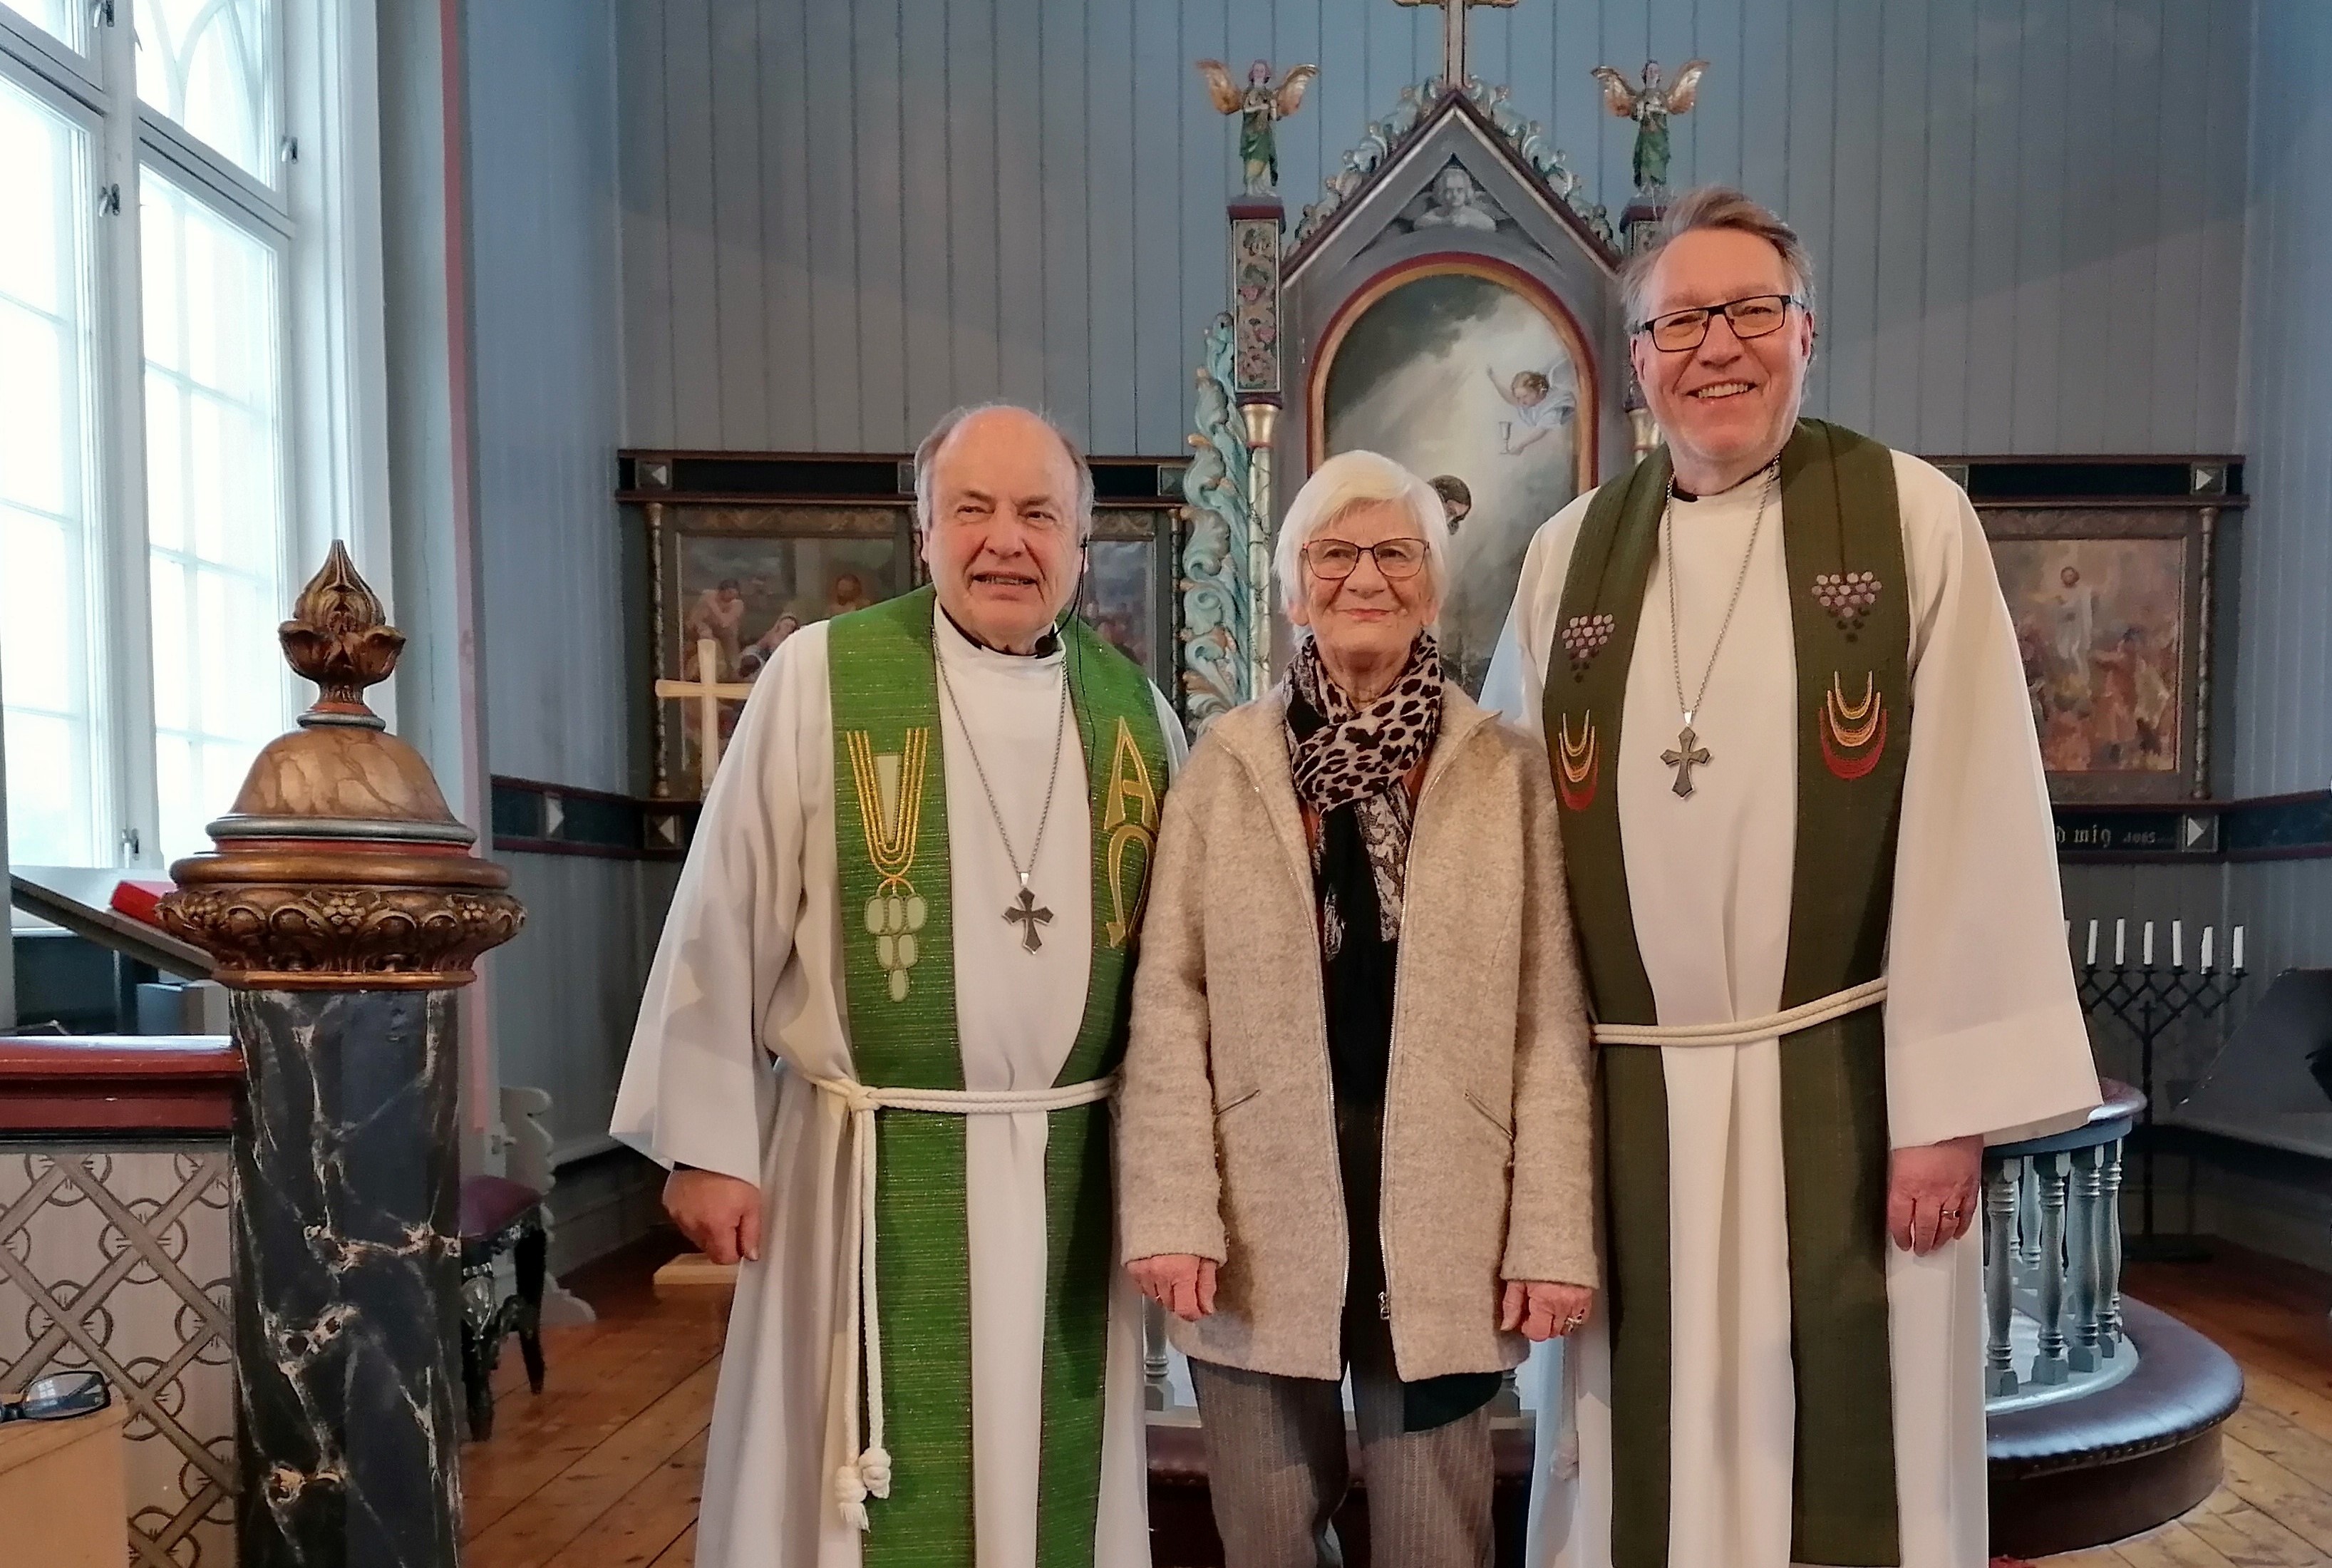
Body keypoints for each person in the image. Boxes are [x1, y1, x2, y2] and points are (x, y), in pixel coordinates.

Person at [1482, 187, 2100, 1568]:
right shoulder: (1563, 555)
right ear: (1634, 358)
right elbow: (1510, 859)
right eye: (1680, 320)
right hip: (1625, 1091)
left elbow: (1978, 814)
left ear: (1805, 332)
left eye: (1750, 310)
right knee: (1639, 1462)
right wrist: (1525, 1142)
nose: (1718, 346)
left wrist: (1946, 1107)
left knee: (1849, 1462)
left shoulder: (1907, 520)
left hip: (1846, 1088)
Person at [613, 403, 1186, 1567]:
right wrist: (711, 1143)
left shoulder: (1138, 716)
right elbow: (726, 909)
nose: (1004, 543)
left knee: (1052, 1482)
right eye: (969, 510)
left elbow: (1180, 980)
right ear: (920, 533)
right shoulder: (825, 678)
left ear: (1083, 543)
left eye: (1038, 514)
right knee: (859, 1494)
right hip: (866, 1168)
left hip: (1072, 1175)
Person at [1119, 450, 1599, 1568]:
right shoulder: (1225, 769)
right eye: (1334, 554)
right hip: (1262, 1206)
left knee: (1439, 1537)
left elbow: (1549, 1018)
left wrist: (1552, 1233)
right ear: (1294, 587)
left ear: (1433, 585)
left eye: (1394, 553)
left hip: (1444, 1205)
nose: (1365, 577)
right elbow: (1171, 1005)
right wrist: (1172, 1207)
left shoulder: (1504, 772)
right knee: (1270, 1532)